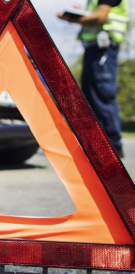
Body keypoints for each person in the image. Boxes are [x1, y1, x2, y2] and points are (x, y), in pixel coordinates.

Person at [58, 0, 129, 158]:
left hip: (103, 49)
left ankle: (112, 146)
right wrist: (82, 13)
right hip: (95, 49)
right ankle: (98, 145)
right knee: (90, 94)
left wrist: (72, 18)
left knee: (101, 93)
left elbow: (100, 17)